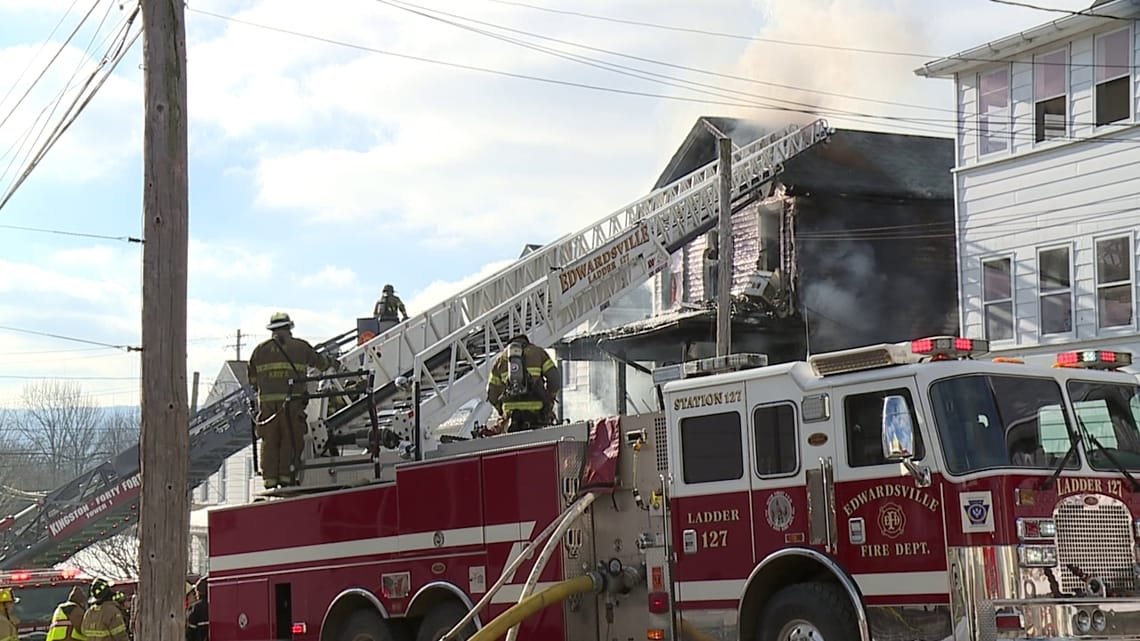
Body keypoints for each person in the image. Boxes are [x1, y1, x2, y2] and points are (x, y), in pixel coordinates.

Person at [249, 312, 339, 489]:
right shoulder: (300, 347)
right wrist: (334, 364)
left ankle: (270, 480)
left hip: (267, 408)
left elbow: (252, 380)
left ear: (272, 329)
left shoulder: (259, 351)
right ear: (289, 327)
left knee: (270, 441)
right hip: (292, 404)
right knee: (291, 439)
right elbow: (320, 363)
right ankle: (287, 477)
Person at [486, 334, 561, 433]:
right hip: (538, 416)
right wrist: (550, 399)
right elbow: (555, 379)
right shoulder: (538, 353)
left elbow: (492, 393)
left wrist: (502, 411)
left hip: (511, 420)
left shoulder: (500, 360)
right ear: (526, 342)